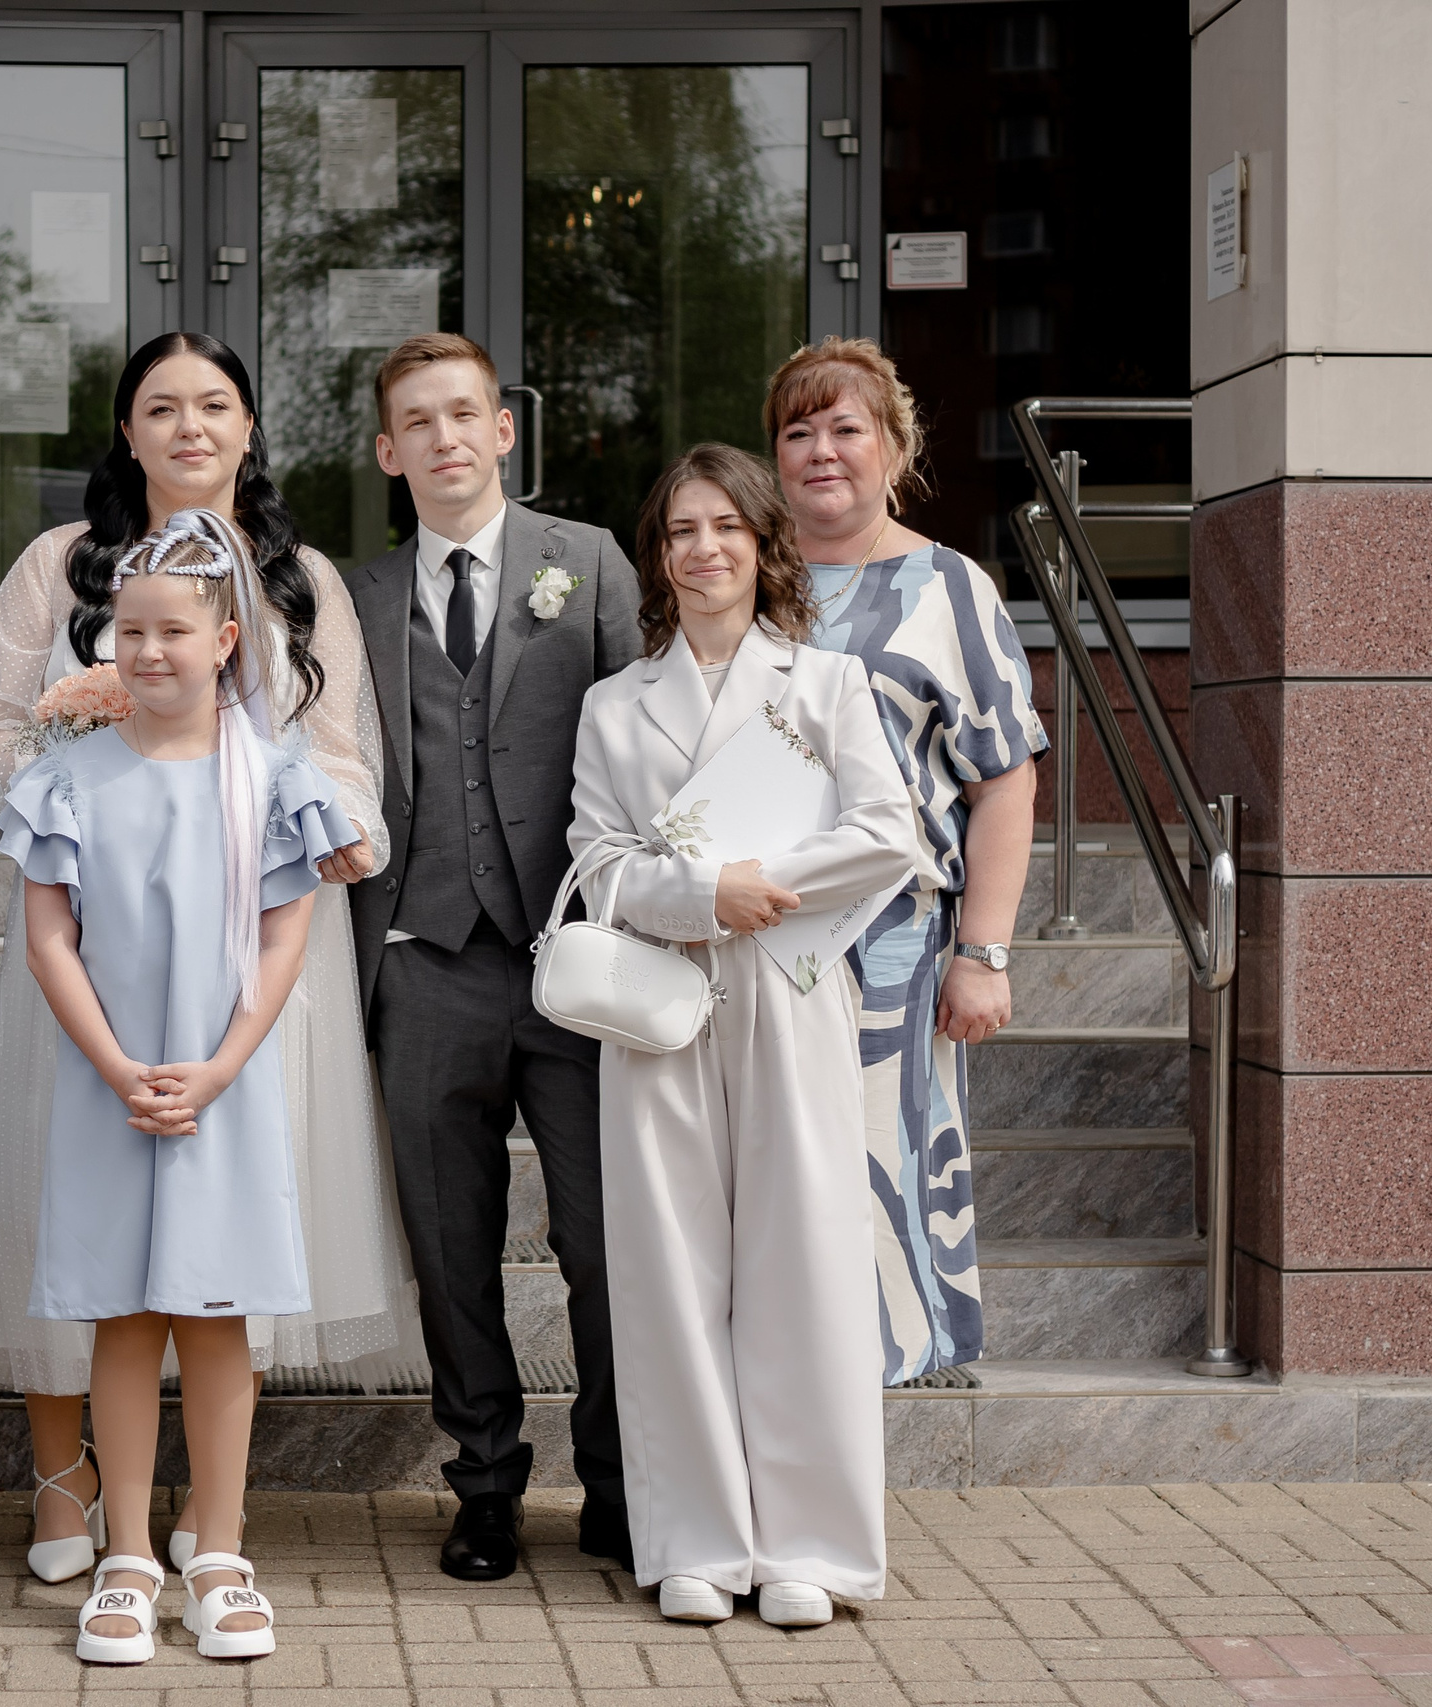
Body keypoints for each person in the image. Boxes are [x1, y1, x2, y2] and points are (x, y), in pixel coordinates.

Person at [0, 331, 413, 1580]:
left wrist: (330, 826)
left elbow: (344, 745)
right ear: (127, 429)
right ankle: (67, 1492)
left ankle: (213, 1520)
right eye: (161, 407)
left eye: (214, 405)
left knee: (222, 1213)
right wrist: (65, 765)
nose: (189, 427)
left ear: (249, 428)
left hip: (254, 923)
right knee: (74, 1192)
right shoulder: (62, 566)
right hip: (98, 927)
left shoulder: (300, 576)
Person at [566, 444, 925, 1625]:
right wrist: (696, 898)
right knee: (669, 1270)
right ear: (656, 560)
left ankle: (811, 1550)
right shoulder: (612, 707)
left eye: (724, 526)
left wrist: (754, 883)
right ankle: (698, 1546)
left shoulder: (825, 686)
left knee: (804, 1261)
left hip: (788, 985)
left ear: (762, 544)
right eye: (679, 532)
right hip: (661, 1001)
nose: (703, 549)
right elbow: (598, 862)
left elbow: (889, 832)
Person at [2, 512, 359, 1665]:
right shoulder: (72, 775)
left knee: (215, 1311)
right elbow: (50, 939)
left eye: (174, 632)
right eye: (130, 631)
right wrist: (117, 1067)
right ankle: (126, 1554)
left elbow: (281, 942)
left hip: (224, 1082)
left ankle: (216, 1551)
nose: (149, 651)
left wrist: (216, 1065)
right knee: (123, 1310)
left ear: (225, 644)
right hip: (113, 1080)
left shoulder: (272, 777)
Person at [345, 332, 642, 1580]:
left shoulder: (590, 563)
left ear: (503, 429)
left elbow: (648, 735)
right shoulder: (350, 594)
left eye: (464, 414)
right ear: (387, 450)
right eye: (418, 421)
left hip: (573, 961)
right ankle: (483, 1484)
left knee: (604, 1237)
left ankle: (623, 1487)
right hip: (423, 962)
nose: (445, 438)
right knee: (450, 1245)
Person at [765, 337, 1044, 1388]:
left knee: (879, 1150)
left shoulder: (949, 588)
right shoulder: (748, 574)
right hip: (759, 924)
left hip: (890, 943)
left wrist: (985, 951)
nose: (821, 452)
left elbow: (1004, 781)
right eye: (798, 432)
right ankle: (789, 1362)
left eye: (845, 429)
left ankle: (878, 1363)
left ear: (893, 446)